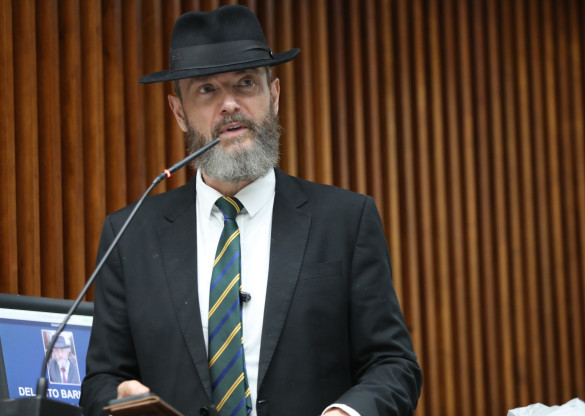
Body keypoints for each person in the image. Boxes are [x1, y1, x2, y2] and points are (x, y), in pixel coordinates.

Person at [80, 5, 422, 416]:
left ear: (273, 96)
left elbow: (393, 366)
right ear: (179, 113)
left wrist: (345, 414)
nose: (229, 104)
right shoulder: (130, 235)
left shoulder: (346, 221)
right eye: (206, 90)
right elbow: (101, 380)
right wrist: (121, 399)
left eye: (245, 83)